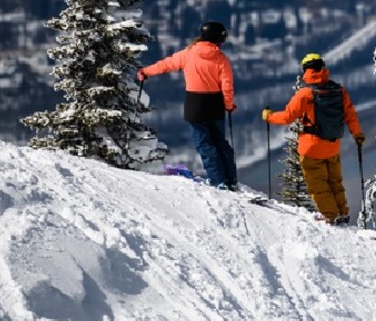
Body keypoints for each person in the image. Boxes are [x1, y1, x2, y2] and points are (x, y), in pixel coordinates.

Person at [263, 53, 364, 224]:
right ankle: (342, 213)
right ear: (322, 67)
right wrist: (357, 134)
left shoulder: (305, 94)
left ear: (305, 71)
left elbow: (287, 117)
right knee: (335, 181)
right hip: (333, 145)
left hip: (311, 147)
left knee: (318, 185)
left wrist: (269, 117)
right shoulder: (339, 90)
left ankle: (330, 215)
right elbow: (351, 115)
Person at [138, 20, 238, 190]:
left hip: (195, 105)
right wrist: (228, 105)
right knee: (220, 142)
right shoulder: (222, 59)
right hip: (216, 105)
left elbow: (166, 65)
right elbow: (227, 86)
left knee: (204, 144)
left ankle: (217, 180)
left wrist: (145, 72)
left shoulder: (189, 53)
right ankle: (230, 180)